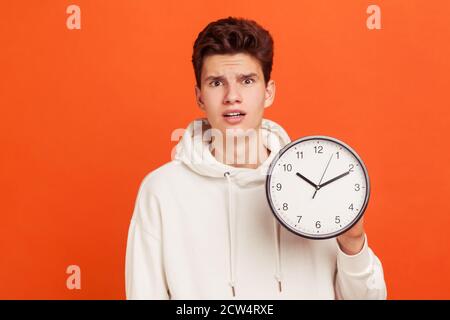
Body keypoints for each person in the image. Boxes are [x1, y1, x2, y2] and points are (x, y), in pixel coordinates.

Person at [125, 16, 387, 299]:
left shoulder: (312, 183)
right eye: (216, 83)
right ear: (200, 97)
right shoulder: (163, 190)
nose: (232, 96)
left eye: (247, 81)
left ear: (268, 92)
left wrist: (353, 243)